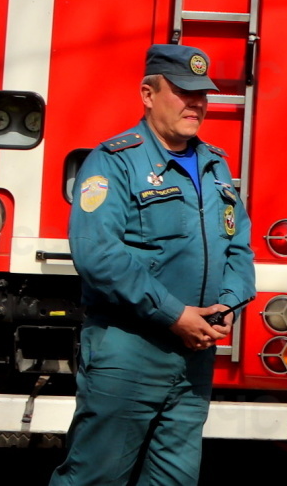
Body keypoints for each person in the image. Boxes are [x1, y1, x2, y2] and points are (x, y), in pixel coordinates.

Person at [50, 44, 254, 486]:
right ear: (147, 94)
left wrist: (229, 305)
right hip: (129, 350)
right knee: (95, 478)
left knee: (173, 482)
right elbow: (97, 255)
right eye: (182, 92)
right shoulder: (113, 162)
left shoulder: (213, 164)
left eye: (201, 94)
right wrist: (174, 314)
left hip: (194, 357)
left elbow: (238, 242)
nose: (196, 103)